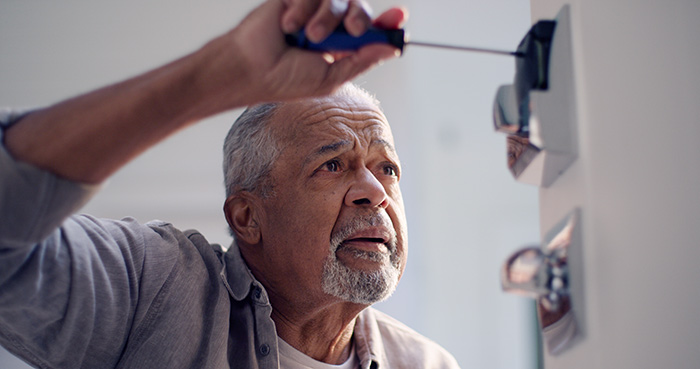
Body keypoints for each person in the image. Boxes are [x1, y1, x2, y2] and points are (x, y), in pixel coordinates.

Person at [0, 0, 460, 368]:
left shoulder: (427, 363)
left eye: (387, 169)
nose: (375, 193)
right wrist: (224, 70)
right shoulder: (155, 290)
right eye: (333, 166)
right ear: (247, 216)